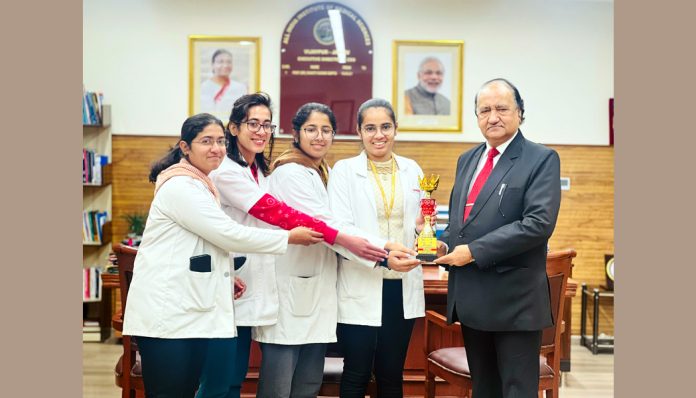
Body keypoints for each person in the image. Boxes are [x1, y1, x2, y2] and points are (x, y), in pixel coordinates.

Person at [197, 93, 392, 398]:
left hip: (254, 284)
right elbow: (277, 213)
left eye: (265, 125)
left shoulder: (265, 169)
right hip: (236, 281)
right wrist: (353, 242)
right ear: (233, 128)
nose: (261, 131)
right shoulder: (242, 170)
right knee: (226, 380)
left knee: (250, 378)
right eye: (252, 123)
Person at [121, 113, 322, 398]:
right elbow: (226, 233)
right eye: (206, 141)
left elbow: (201, 244)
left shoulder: (201, 183)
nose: (216, 148)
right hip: (167, 317)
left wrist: (226, 272)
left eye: (219, 141)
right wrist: (288, 237)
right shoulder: (181, 186)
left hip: (186, 311)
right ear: (185, 147)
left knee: (188, 389)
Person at [254, 103, 419, 398]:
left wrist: (425, 236)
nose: (319, 137)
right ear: (296, 133)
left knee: (310, 381)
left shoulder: (322, 170)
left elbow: (414, 225)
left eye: (326, 130)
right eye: (311, 130)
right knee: (285, 381)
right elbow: (331, 225)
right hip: (311, 283)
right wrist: (385, 251)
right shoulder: (294, 172)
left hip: (335, 286)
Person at [434, 78, 561, 398]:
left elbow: (537, 224)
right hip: (472, 297)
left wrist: (473, 251)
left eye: (502, 108)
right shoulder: (467, 159)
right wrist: (443, 243)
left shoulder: (541, 159)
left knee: (517, 390)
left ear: (520, 113)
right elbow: (462, 222)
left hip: (514, 301)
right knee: (485, 389)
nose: (493, 117)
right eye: (484, 110)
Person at [327, 98, 426, 397]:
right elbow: (342, 230)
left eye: (385, 127)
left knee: (392, 374)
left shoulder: (413, 170)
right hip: (361, 282)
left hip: (401, 287)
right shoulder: (344, 171)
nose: (378, 134)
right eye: (370, 128)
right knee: (356, 372)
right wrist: (385, 255)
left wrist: (428, 236)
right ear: (359, 131)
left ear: (396, 129)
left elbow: (422, 221)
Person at [200, 49, 247, 115]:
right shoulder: (202, 88)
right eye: (220, 62)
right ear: (212, 65)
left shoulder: (240, 88)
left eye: (229, 62)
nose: (225, 65)